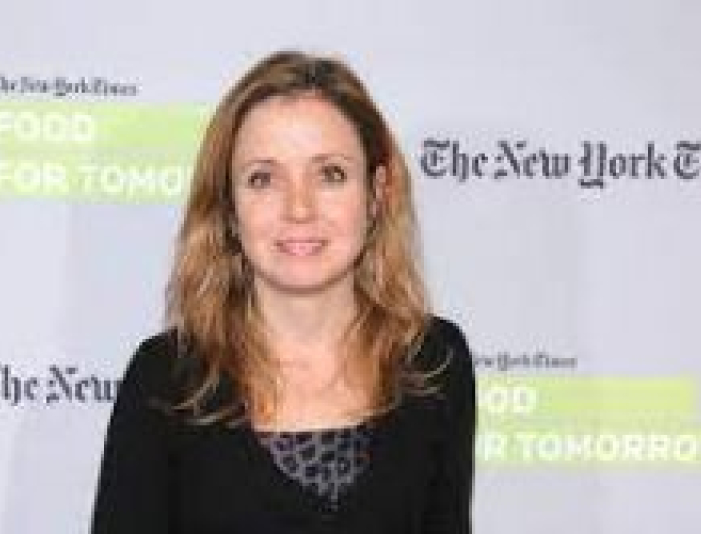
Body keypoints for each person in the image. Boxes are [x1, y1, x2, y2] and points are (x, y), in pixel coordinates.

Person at [91, 50, 476, 533]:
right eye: (263, 179)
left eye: (330, 174)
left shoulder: (434, 363)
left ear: (376, 194)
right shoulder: (165, 381)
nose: (299, 209)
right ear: (229, 208)